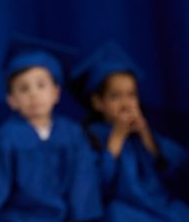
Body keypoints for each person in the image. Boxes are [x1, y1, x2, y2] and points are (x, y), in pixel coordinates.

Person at [0, 39, 101, 222]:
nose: (34, 94)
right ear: (12, 100)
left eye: (41, 85)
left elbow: (83, 192)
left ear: (56, 93)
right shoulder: (5, 141)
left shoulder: (73, 135)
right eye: (24, 88)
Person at [70, 41, 189, 221]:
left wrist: (146, 135)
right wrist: (116, 139)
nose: (126, 104)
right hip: (124, 208)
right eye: (115, 96)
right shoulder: (92, 136)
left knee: (180, 211)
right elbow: (92, 187)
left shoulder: (143, 131)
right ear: (97, 102)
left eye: (131, 95)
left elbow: (176, 167)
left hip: (159, 203)